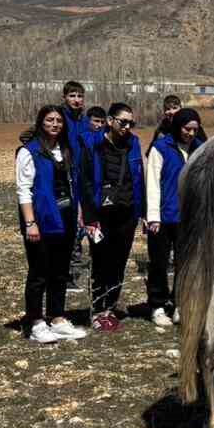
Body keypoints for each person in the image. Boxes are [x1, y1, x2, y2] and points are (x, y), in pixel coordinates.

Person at [17, 106, 87, 344]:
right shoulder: (30, 151)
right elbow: (23, 190)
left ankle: (57, 317)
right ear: (40, 122)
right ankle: (35, 320)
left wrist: (78, 213)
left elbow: (73, 185)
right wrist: (30, 223)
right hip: (42, 219)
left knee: (60, 271)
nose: (55, 124)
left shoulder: (66, 150)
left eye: (59, 120)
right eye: (49, 120)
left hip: (65, 217)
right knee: (39, 272)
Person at [84, 102, 146, 333]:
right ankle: (97, 309)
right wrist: (90, 217)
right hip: (101, 215)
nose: (127, 127)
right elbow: (86, 182)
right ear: (110, 121)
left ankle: (110, 307)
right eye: (123, 122)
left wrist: (143, 212)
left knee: (119, 262)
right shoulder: (92, 144)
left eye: (131, 123)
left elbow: (139, 177)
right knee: (100, 261)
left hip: (127, 213)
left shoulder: (134, 144)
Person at [145, 107, 200, 326]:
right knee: (158, 262)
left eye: (195, 130)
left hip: (188, 217)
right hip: (164, 216)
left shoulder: (199, 149)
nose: (191, 134)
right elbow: (153, 183)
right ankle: (157, 305)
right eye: (187, 129)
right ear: (178, 127)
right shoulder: (161, 148)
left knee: (185, 263)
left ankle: (179, 303)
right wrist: (153, 217)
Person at [60, 81, 91, 294]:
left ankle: (73, 274)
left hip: (82, 179)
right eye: (72, 95)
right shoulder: (58, 118)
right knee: (65, 226)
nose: (76, 100)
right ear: (64, 97)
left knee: (79, 226)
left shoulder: (85, 121)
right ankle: (64, 274)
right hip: (64, 179)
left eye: (79, 96)